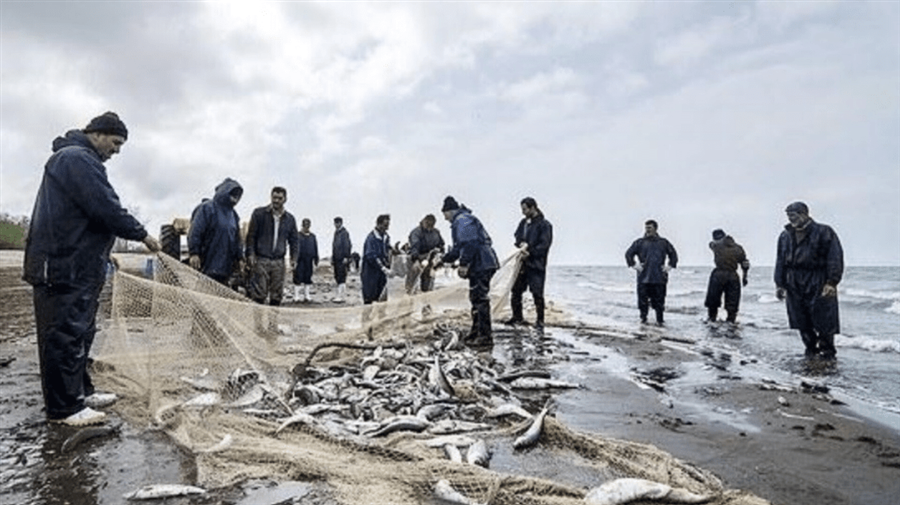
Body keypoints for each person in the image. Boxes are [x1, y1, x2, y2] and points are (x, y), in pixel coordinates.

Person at [23, 112, 161, 426]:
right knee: (63, 335)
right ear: (96, 134)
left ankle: (80, 393)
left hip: (78, 264)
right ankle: (65, 409)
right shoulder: (76, 159)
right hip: (61, 266)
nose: (117, 151)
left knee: (80, 333)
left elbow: (81, 218)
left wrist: (105, 253)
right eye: (115, 142)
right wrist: (142, 234)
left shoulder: (79, 159)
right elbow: (104, 207)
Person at [775, 202, 844, 359]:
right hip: (793, 281)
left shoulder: (824, 231)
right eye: (788, 216)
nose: (790, 219)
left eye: (793, 215)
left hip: (818, 278)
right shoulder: (785, 235)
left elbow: (835, 257)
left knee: (824, 318)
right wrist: (779, 284)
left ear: (804, 214)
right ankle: (810, 350)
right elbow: (780, 260)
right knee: (800, 318)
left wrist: (831, 282)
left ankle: (828, 353)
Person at [436, 196, 500, 347]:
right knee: (476, 298)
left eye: (445, 214)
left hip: (482, 262)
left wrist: (464, 264)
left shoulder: (462, 220)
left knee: (480, 300)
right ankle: (476, 332)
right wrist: (443, 260)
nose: (445, 219)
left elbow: (470, 243)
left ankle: (485, 336)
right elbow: (458, 249)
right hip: (482, 262)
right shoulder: (462, 220)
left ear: (450, 211)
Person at [245, 187, 299, 306]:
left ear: (285, 199)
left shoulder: (290, 219)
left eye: (279, 198)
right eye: (274, 197)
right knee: (258, 295)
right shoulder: (259, 214)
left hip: (279, 262)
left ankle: (273, 319)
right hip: (261, 260)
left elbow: (294, 241)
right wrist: (251, 254)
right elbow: (251, 236)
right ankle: (258, 319)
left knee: (276, 296)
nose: (276, 201)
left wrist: (294, 258)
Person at [506, 197, 553, 331]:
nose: (523, 212)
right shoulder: (523, 223)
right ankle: (517, 317)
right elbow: (517, 236)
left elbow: (545, 245)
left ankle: (540, 320)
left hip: (537, 265)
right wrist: (520, 244)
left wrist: (530, 252)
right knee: (516, 291)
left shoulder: (545, 225)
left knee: (537, 293)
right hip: (522, 263)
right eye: (522, 209)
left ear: (533, 208)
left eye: (525, 209)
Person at [188, 178, 245, 286]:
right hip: (206, 265)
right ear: (225, 191)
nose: (236, 197)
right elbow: (195, 231)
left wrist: (240, 258)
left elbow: (237, 239)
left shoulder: (234, 215)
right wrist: (194, 253)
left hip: (226, 269)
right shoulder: (206, 208)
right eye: (233, 193)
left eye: (238, 195)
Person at [625, 220, 678, 325]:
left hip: (659, 278)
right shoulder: (639, 242)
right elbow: (628, 254)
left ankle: (660, 322)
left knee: (659, 303)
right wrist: (634, 265)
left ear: (655, 228)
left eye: (649, 227)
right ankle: (643, 321)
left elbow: (673, 254)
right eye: (646, 228)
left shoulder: (663, 242)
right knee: (642, 302)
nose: (647, 230)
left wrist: (669, 266)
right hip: (643, 277)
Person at [704, 229, 750, 323]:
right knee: (732, 303)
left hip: (718, 274)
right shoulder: (738, 248)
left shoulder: (715, 245)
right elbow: (745, 263)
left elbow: (711, 244)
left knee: (713, 302)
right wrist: (745, 276)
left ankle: (711, 321)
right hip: (733, 276)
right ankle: (731, 323)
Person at [405, 214, 445, 294]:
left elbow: (441, 243)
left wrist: (440, 251)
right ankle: (409, 292)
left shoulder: (436, 232)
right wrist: (415, 259)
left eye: (431, 225)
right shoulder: (416, 232)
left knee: (428, 276)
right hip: (417, 256)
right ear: (424, 222)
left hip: (429, 257)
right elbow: (415, 245)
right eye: (427, 223)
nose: (429, 226)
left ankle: (426, 292)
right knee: (414, 275)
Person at [361, 214, 392, 304]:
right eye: (385, 225)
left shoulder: (386, 237)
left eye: (388, 225)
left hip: (382, 275)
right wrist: (382, 267)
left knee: (382, 300)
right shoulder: (371, 238)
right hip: (370, 274)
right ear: (379, 224)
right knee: (370, 299)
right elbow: (371, 256)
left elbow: (388, 251)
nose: (387, 228)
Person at [294, 218, 319, 302]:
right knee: (298, 277)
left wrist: (316, 259)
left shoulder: (313, 236)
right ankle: (296, 296)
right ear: (302, 225)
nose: (306, 227)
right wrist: (294, 259)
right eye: (305, 225)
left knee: (308, 277)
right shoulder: (298, 236)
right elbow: (294, 248)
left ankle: (307, 295)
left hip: (309, 260)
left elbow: (315, 248)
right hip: (299, 260)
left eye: (308, 225)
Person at [331, 217, 353, 302]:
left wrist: (346, 257)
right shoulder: (336, 233)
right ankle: (339, 295)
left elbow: (347, 245)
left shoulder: (344, 233)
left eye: (337, 223)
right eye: (335, 223)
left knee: (342, 277)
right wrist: (333, 258)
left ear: (341, 223)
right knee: (337, 276)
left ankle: (341, 296)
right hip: (336, 258)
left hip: (342, 259)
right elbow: (334, 246)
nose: (336, 225)